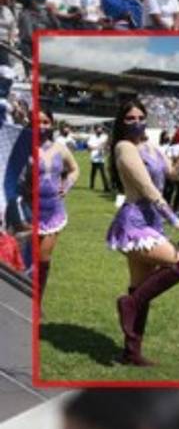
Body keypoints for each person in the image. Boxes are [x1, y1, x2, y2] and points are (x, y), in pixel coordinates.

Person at [106, 98, 179, 365]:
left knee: (141, 288)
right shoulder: (124, 147)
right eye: (130, 118)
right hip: (135, 223)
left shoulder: (150, 145)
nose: (137, 122)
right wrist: (177, 221)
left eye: (140, 117)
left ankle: (131, 353)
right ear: (121, 122)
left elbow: (173, 174)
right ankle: (129, 304)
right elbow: (149, 189)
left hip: (151, 222)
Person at [35, 105, 78, 310]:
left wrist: (67, 185)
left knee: (43, 260)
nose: (41, 126)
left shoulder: (60, 148)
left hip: (52, 212)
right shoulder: (22, 146)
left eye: (45, 122)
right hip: (27, 211)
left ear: (51, 124)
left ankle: (37, 303)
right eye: (37, 121)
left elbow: (74, 169)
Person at [87, 124, 110, 192]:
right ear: (95, 130)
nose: (100, 130)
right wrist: (97, 148)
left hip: (101, 157)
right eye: (98, 129)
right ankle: (91, 185)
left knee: (103, 172)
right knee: (93, 172)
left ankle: (106, 187)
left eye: (101, 129)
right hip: (94, 157)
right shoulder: (92, 137)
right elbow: (89, 147)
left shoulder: (105, 137)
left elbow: (107, 144)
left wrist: (104, 147)